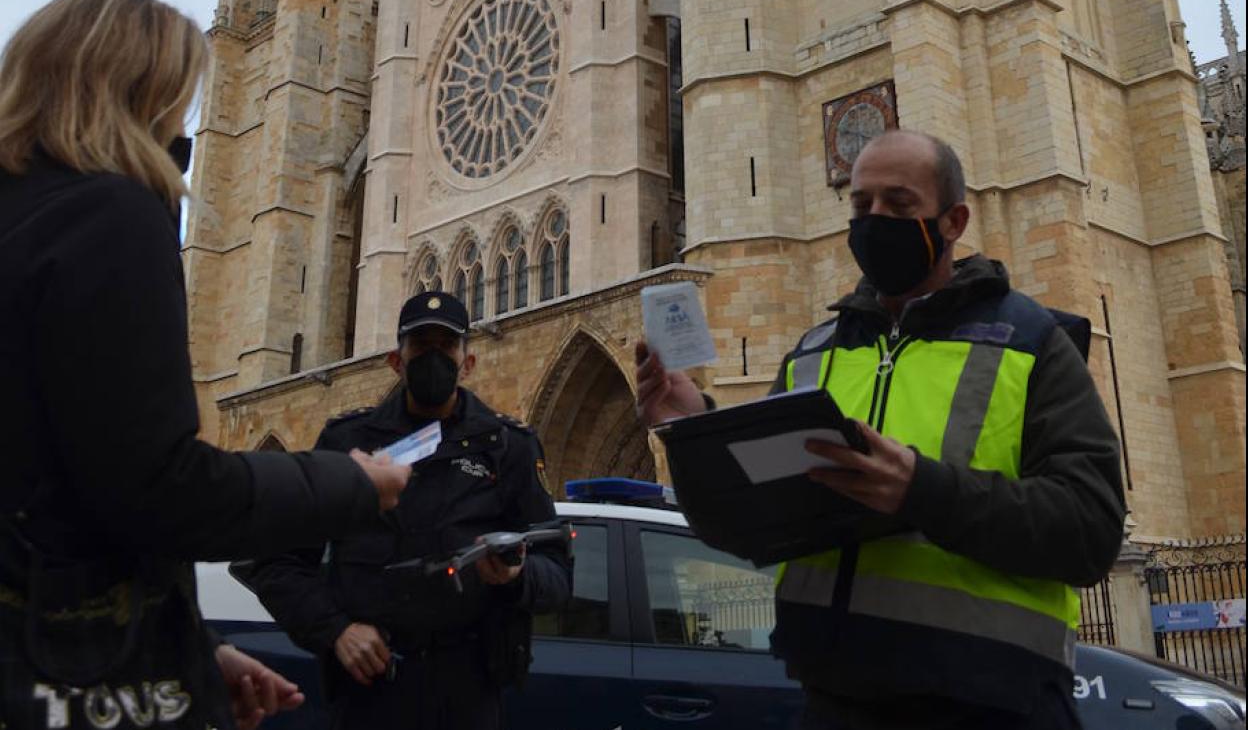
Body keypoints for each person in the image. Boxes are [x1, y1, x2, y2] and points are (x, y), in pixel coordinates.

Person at [0, 0, 411, 730]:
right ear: (143, 86)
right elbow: (154, 488)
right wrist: (347, 485)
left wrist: (187, 644)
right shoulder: (108, 212)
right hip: (77, 694)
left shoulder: (25, 216)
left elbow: (63, 493)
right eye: (176, 94)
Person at [635, 130, 1126, 730]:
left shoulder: (1030, 342)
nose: (875, 221)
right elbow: (741, 529)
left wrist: (921, 489)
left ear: (954, 220)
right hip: (834, 699)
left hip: (993, 703)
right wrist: (695, 431)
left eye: (898, 204)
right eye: (861, 205)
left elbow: (1091, 530)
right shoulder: (813, 354)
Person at [238, 291, 573, 730]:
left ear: (468, 362)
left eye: (446, 346)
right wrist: (336, 630)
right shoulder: (348, 443)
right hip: (372, 691)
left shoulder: (507, 447)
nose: (434, 357)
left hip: (467, 691)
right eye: (421, 346)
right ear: (397, 360)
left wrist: (516, 575)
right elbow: (277, 562)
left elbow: (558, 573)